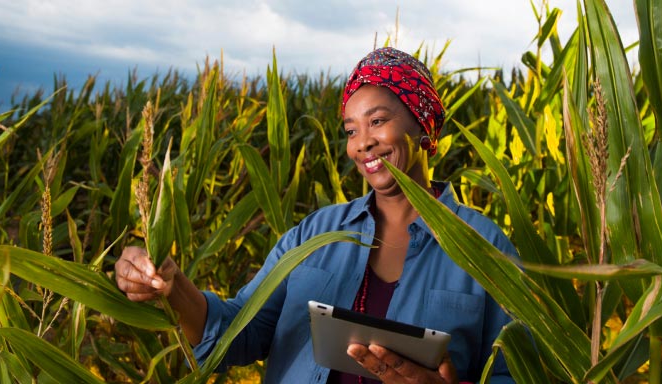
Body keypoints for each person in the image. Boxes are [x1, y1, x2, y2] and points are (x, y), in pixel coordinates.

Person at [116, 47, 516, 384]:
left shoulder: (485, 248)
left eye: (377, 121)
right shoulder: (315, 234)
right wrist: (170, 284)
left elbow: (520, 371)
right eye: (350, 130)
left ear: (421, 124)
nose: (363, 144)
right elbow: (240, 330)